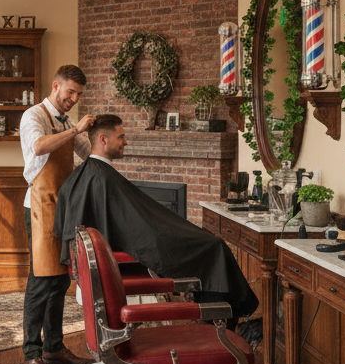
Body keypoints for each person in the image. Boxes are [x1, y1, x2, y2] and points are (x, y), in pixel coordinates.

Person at [54, 114, 259, 320]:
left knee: (210, 244)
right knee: (214, 247)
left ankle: (223, 317)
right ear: (103, 140)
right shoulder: (101, 178)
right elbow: (140, 228)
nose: (126, 141)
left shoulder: (87, 175)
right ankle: (225, 318)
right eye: (121, 137)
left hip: (139, 241)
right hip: (139, 249)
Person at [18, 64, 95, 364]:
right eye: (70, 92)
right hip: (38, 206)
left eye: (79, 94)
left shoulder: (65, 121)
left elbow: (87, 152)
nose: (74, 99)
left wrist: (98, 139)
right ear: (55, 86)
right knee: (40, 281)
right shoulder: (33, 116)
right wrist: (75, 130)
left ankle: (54, 347)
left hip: (64, 208)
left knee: (61, 280)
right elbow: (38, 147)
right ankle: (31, 354)